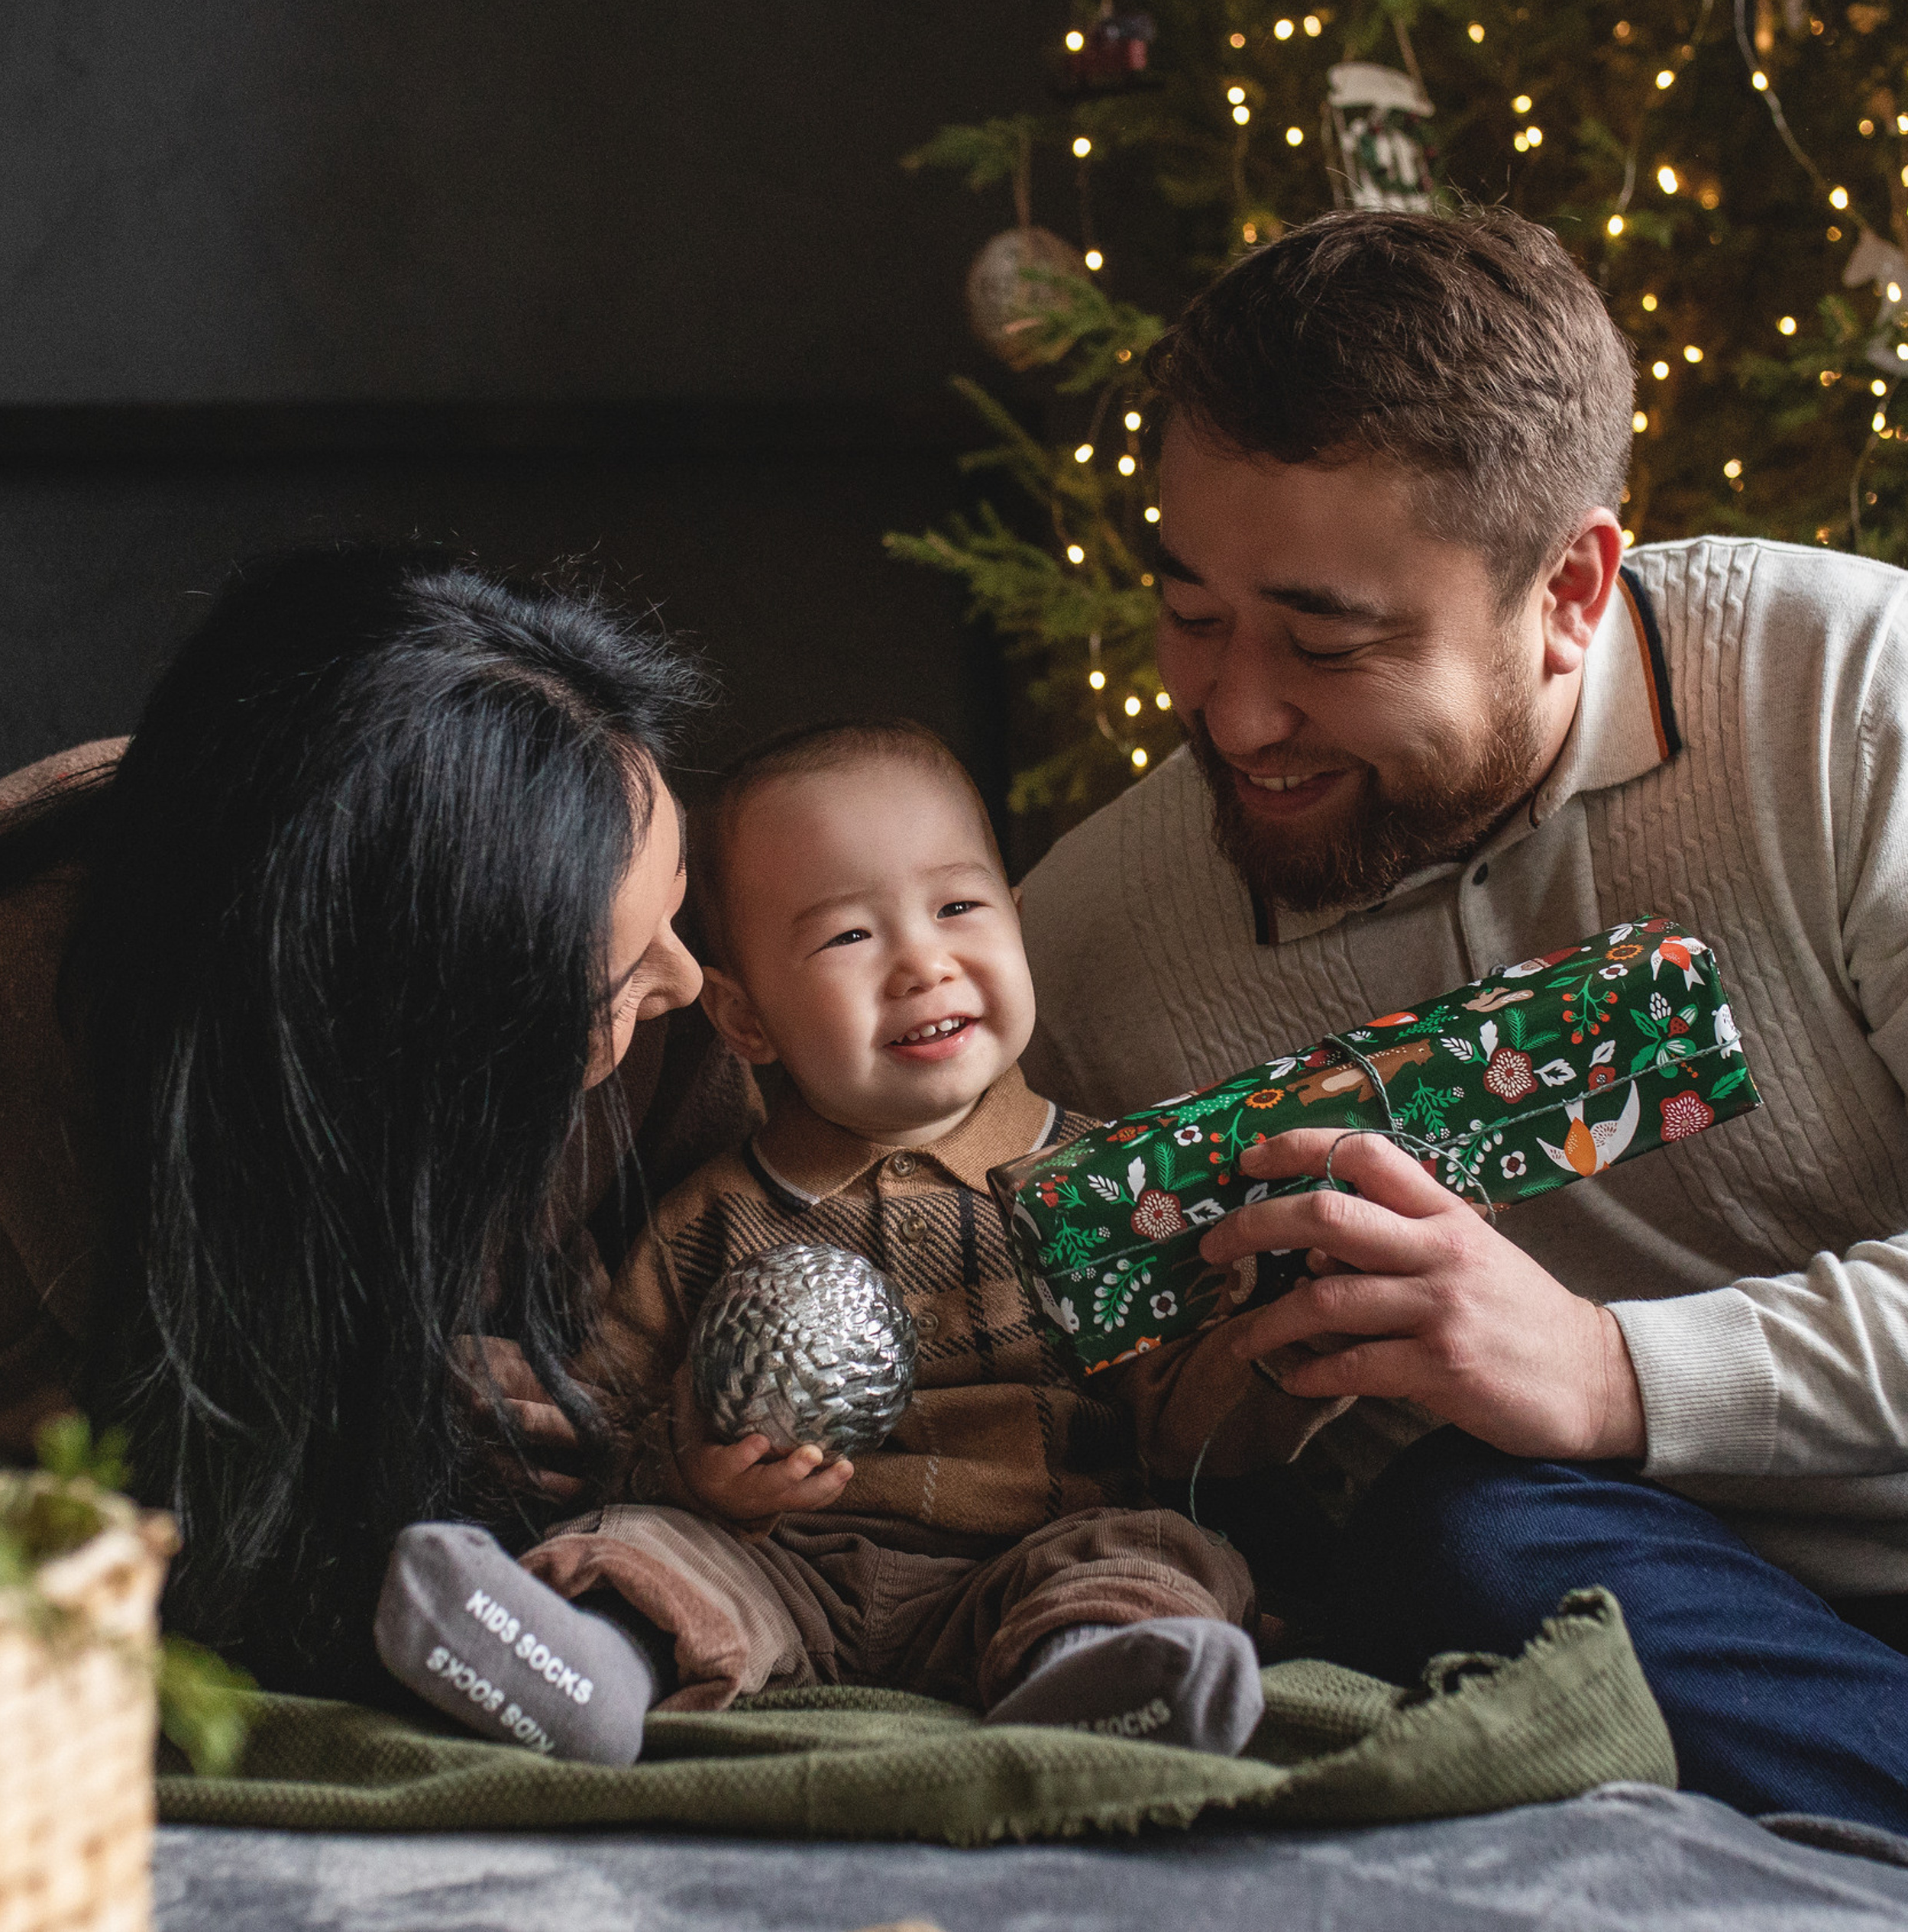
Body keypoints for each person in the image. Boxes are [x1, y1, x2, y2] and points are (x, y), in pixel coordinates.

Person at [1016, 207, 1908, 1825]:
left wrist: (1607, 1365)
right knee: (1458, 1537)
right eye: (1189, 615)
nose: (1232, 714)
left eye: (1322, 641)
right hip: (1655, 1582)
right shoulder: (1088, 939)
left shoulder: (1852, 701)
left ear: (1568, 585)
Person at [0, 544, 758, 1698]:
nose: (682, 980)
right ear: (413, 1057)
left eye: (677, 912)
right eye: (617, 984)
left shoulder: (665, 1013)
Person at [425, 719, 1285, 1760]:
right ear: (745, 1021)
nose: (923, 963)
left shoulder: (1115, 1187)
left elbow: (1181, 1433)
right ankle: (578, 1670)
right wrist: (698, 1474)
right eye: (848, 937)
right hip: (773, 1562)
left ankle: (1093, 1677)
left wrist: (1266, 1335)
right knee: (639, 1548)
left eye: (959, 908)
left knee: (1157, 1551)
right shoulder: (715, 1213)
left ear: (1019, 927)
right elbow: (603, 1413)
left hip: (1031, 1550)